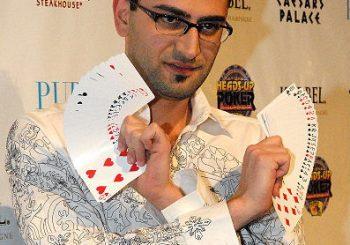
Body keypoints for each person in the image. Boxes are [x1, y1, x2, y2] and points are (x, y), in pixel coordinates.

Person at [5, 0, 304, 244]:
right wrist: (240, 208)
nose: (191, 49)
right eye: (171, 20)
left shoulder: (254, 143)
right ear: (123, 16)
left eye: (210, 26)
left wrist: (169, 198)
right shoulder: (50, 139)